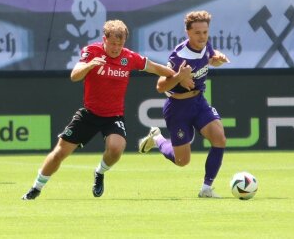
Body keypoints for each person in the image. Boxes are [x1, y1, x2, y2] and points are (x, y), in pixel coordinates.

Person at [22, 19, 179, 200]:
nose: (116, 48)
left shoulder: (129, 57)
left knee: (116, 148)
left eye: (119, 44)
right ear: (104, 39)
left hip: (113, 116)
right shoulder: (91, 52)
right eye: (112, 43)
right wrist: (90, 66)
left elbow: (154, 68)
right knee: (60, 153)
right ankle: (36, 188)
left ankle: (99, 173)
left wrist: (177, 76)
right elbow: (75, 76)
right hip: (89, 114)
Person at [138, 10, 230, 198]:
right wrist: (179, 77)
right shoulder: (179, 56)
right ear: (188, 32)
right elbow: (160, 85)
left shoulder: (205, 45)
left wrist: (218, 59)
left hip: (199, 102)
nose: (202, 37)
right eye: (197, 33)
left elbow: (211, 58)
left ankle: (206, 188)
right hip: (178, 108)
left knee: (219, 137)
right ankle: (157, 139)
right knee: (182, 161)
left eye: (205, 32)